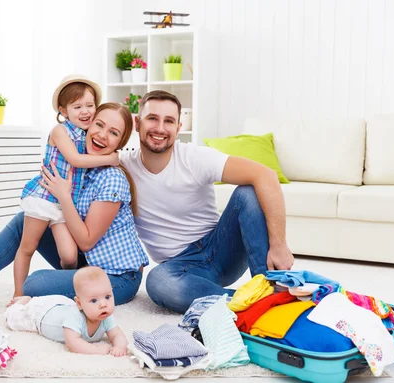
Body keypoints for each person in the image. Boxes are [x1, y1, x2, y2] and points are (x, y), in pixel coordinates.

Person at [119, 90, 295, 314]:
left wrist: (279, 245)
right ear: (137, 122)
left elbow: (266, 176)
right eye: (152, 118)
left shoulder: (195, 157)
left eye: (169, 121)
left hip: (221, 249)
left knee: (248, 192)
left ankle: (270, 284)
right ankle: (252, 302)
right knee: (157, 282)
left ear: (178, 127)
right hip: (180, 267)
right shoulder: (123, 168)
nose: (160, 128)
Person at [0, 102, 149, 305]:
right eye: (99, 125)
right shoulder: (82, 167)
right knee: (25, 221)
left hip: (117, 278)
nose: (103, 135)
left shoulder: (111, 177)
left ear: (120, 143)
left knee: (34, 283)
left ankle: (19, 291)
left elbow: (86, 241)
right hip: (86, 263)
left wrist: (63, 196)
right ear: (89, 125)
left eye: (113, 132)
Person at [12, 75, 119, 298]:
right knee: (27, 248)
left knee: (70, 256)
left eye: (90, 105)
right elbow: (76, 160)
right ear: (63, 110)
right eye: (77, 106)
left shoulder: (87, 134)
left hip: (64, 203)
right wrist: (111, 159)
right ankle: (18, 294)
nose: (85, 111)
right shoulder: (59, 131)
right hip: (44, 198)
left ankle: (69, 289)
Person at [5, 266, 128, 356]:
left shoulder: (105, 316)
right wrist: (96, 349)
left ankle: (30, 300)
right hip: (42, 314)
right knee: (12, 319)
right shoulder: (74, 316)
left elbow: (117, 334)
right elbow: (72, 343)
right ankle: (23, 302)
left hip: (63, 305)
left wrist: (119, 346)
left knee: (66, 306)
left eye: (107, 297)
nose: (103, 304)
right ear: (79, 303)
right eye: (94, 300)